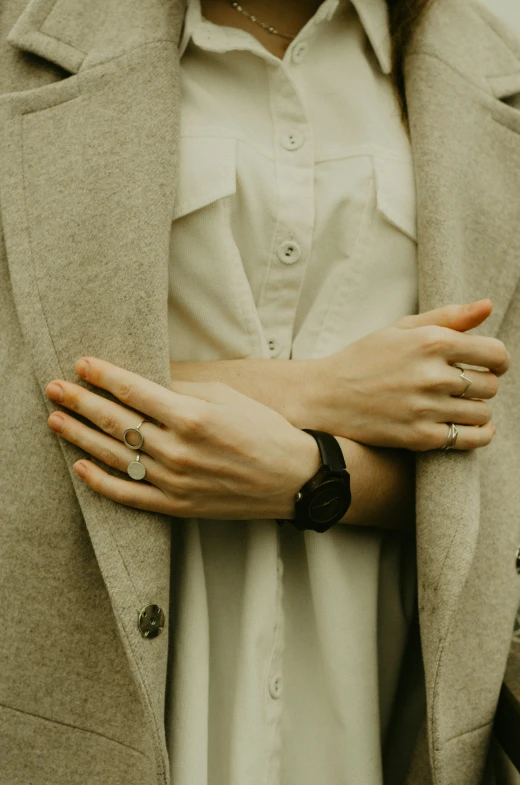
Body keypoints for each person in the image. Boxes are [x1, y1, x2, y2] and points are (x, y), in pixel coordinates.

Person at [0, 0, 519, 783]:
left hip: (380, 705)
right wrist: (313, 389)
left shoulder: (490, 71)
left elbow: (503, 460)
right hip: (91, 700)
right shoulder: (27, 37)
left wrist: (313, 475)